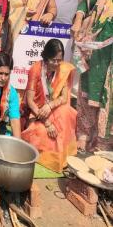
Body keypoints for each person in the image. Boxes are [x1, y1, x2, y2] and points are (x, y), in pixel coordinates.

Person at [21, 39, 77, 172]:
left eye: (59, 60)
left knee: (66, 112)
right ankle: (52, 159)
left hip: (52, 110)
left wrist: (50, 106)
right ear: (46, 57)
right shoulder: (36, 69)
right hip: (36, 113)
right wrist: (46, 122)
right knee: (41, 132)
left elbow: (63, 98)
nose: (57, 64)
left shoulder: (63, 69)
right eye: (53, 60)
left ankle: (62, 156)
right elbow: (30, 101)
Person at [72, 0, 113, 152]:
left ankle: (103, 144)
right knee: (87, 93)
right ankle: (83, 136)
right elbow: (85, 3)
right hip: (94, 55)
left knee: (108, 98)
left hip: (110, 60)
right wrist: (79, 20)